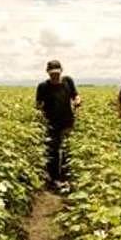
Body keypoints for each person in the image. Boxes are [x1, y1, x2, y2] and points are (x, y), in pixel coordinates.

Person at [36, 60, 81, 188]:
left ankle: (67, 178)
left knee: (67, 150)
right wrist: (40, 115)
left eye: (56, 73)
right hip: (51, 124)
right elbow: (38, 105)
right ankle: (54, 179)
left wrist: (78, 101)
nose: (54, 76)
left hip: (67, 121)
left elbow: (76, 96)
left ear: (61, 70)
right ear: (47, 73)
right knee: (53, 152)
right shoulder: (43, 87)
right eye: (52, 74)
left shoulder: (68, 81)